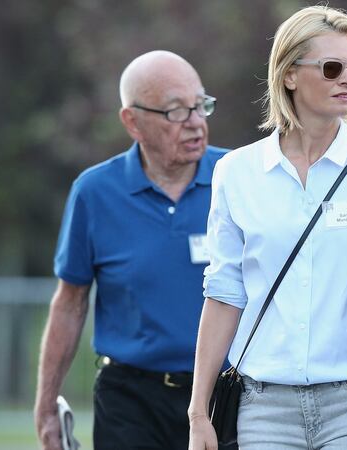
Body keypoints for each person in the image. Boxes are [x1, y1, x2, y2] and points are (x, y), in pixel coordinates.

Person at [188, 6, 347, 450]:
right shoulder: (236, 172)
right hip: (264, 406)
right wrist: (198, 411)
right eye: (332, 68)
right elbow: (224, 292)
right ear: (289, 75)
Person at [33, 50, 226, 450]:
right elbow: (70, 303)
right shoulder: (94, 192)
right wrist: (46, 403)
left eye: (200, 105)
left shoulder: (237, 178)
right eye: (175, 111)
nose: (194, 122)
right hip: (130, 400)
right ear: (132, 121)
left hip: (223, 395)